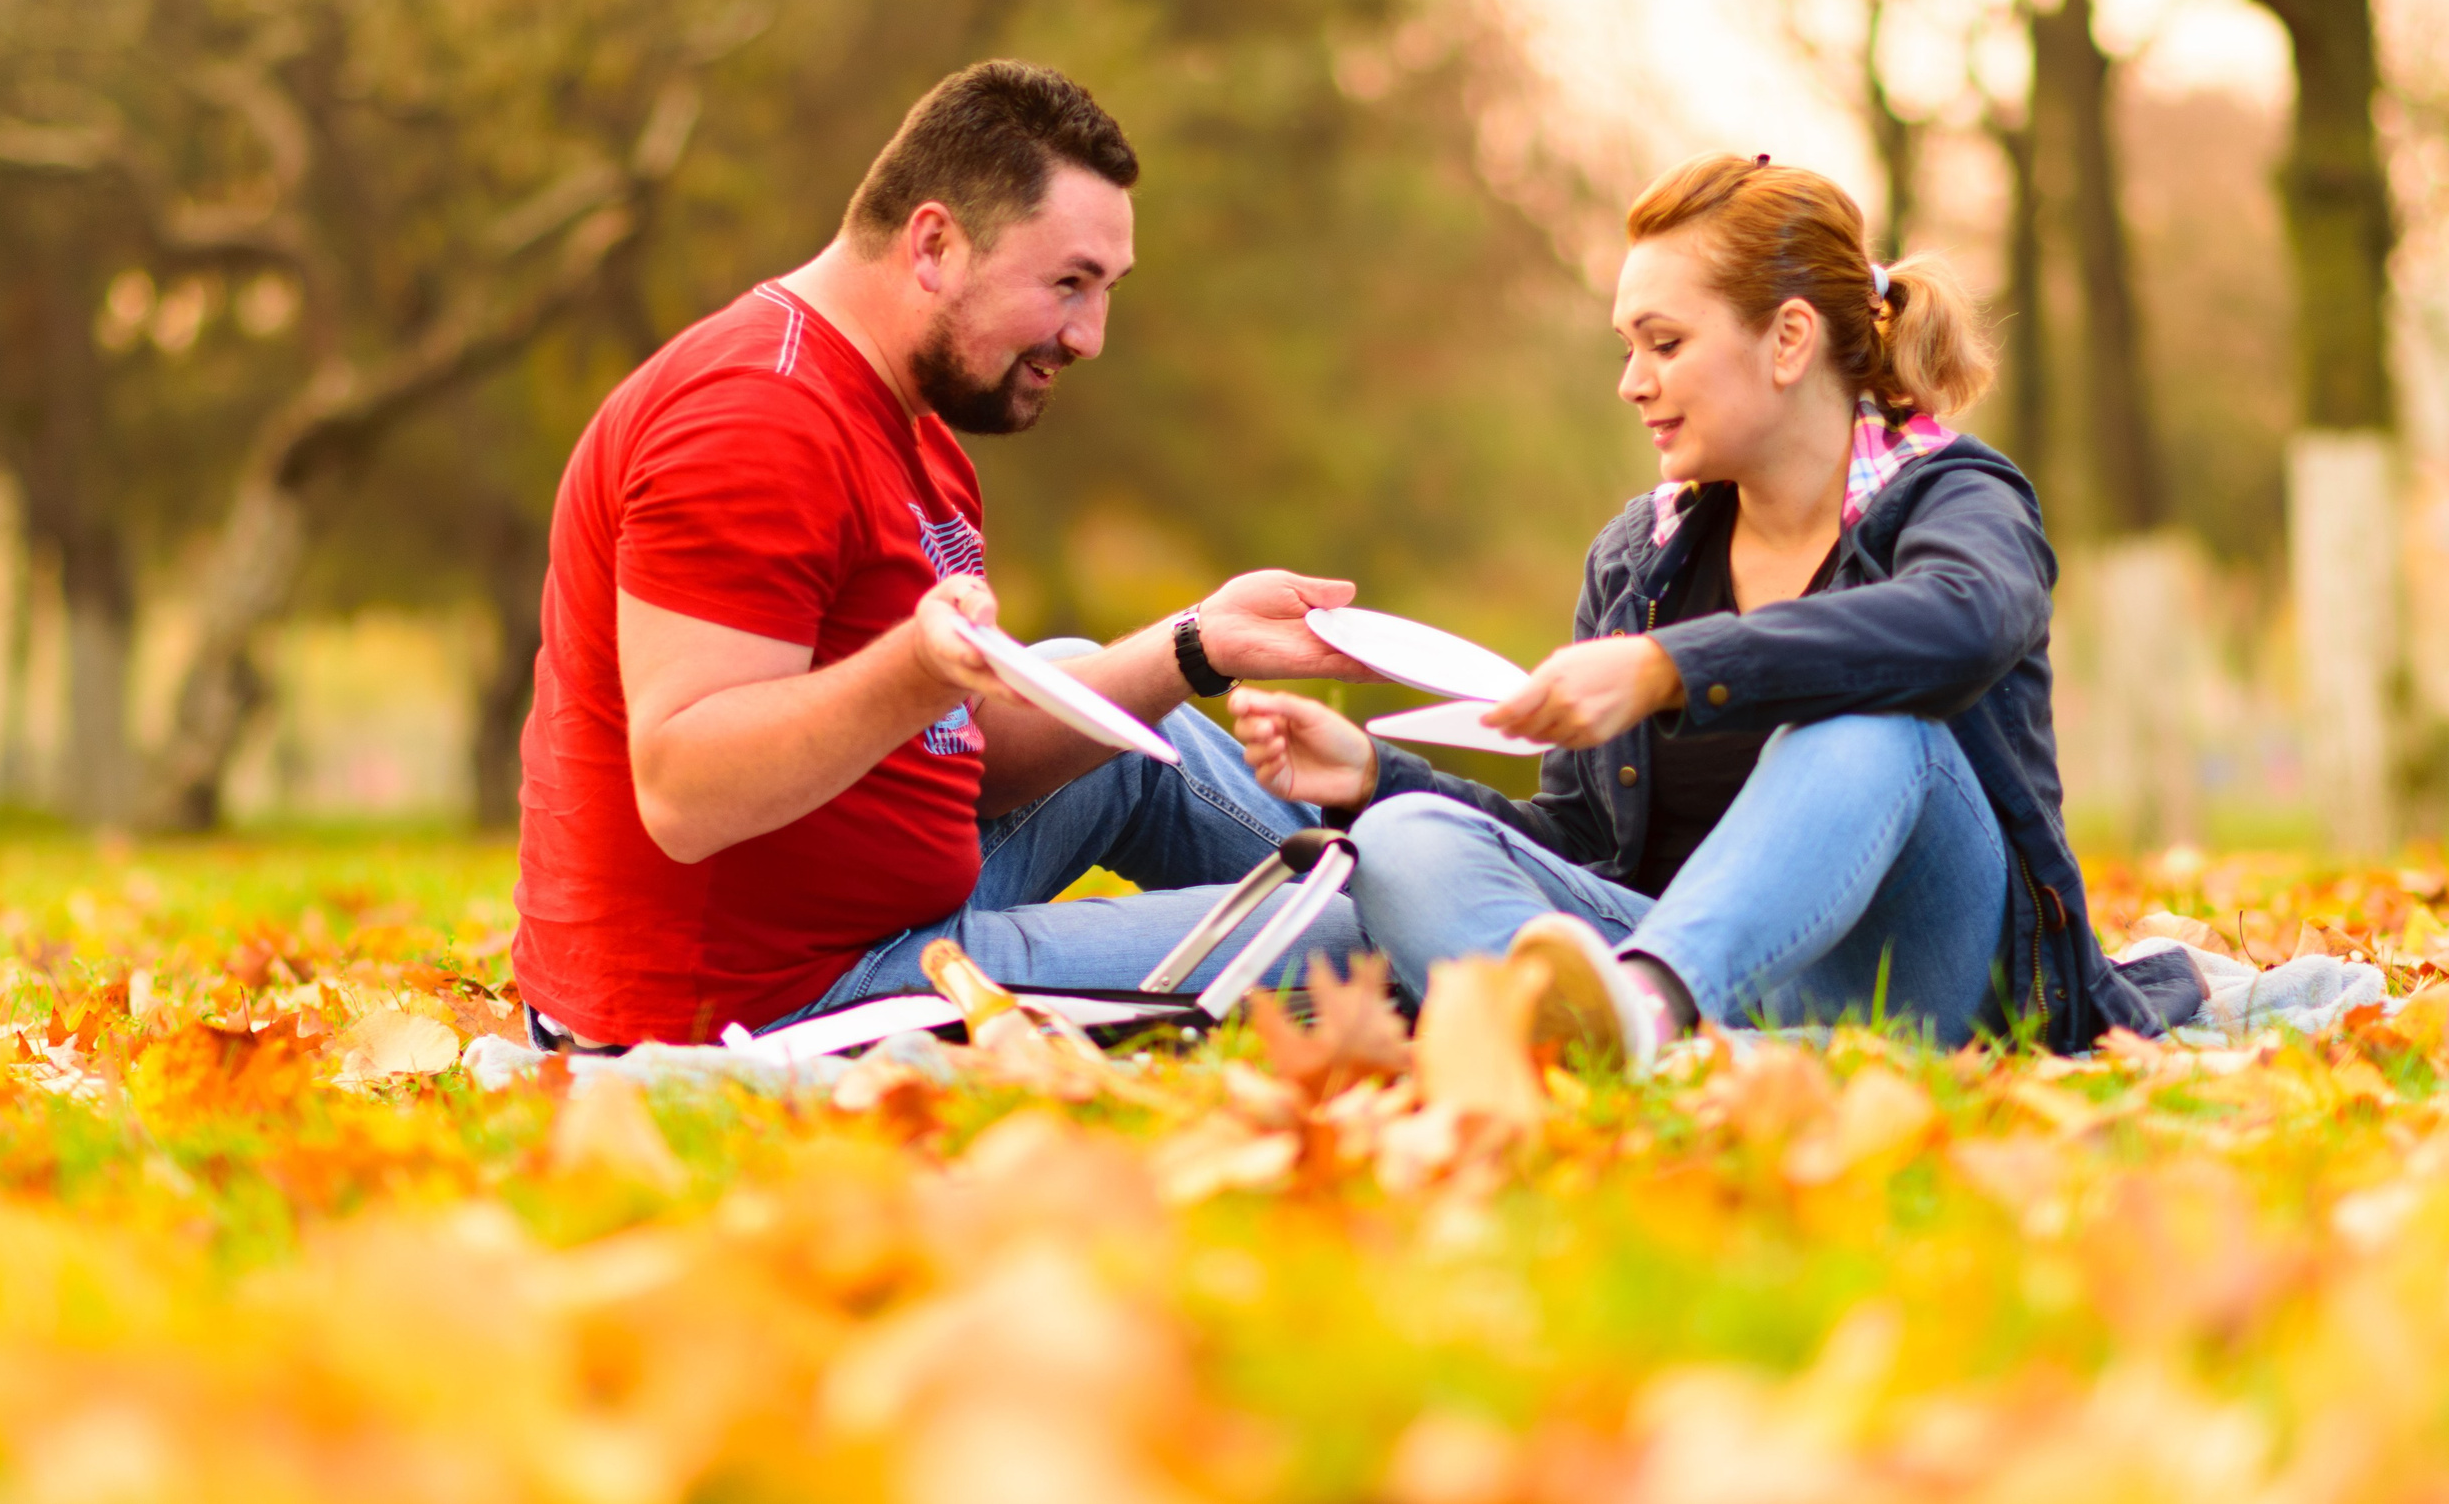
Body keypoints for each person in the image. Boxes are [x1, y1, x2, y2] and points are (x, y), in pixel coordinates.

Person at [1228, 153, 2202, 1070]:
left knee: (1866, 724)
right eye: (1627, 348)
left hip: (1931, 979)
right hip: (1705, 984)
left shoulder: (1953, 495)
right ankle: (1639, 1046)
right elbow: (1580, 843)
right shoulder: (1638, 555)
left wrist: (1671, 669)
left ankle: (1650, 1014)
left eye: (1665, 343)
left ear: (1786, 340)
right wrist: (1371, 774)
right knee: (1404, 838)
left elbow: (1966, 623)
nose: (1632, 381)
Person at [512, 60, 1375, 1049]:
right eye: (1067, 284)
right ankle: (1498, 921)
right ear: (933, 245)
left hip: (856, 920)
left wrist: (1197, 645)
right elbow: (683, 790)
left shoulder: (908, 426)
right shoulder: (755, 421)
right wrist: (914, 671)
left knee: (1089, 699)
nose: (1089, 336)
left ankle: (1470, 870)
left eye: (1104, 289)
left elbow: (955, 758)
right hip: (766, 1002)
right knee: (1370, 948)